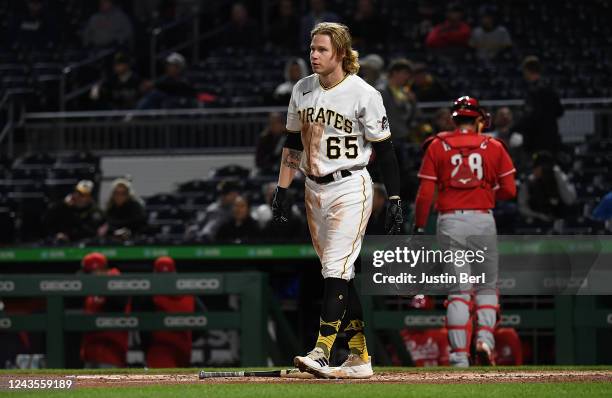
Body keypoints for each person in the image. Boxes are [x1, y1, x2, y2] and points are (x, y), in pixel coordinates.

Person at [272, 22, 403, 379]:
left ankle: (322, 350)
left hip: (350, 186)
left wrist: (393, 197)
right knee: (339, 273)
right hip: (313, 189)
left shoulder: (364, 93)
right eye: (312, 48)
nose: (313, 55)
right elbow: (293, 144)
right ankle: (359, 357)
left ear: (341, 54)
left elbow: (386, 152)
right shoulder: (302, 89)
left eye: (322, 50)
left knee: (335, 269)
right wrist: (282, 189)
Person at [413, 96, 517, 367]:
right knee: (486, 287)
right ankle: (485, 340)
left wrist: (420, 226)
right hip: (483, 219)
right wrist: (485, 189)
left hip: (451, 222)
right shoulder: (493, 146)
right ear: (478, 119)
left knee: (458, 291)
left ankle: (460, 358)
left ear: (454, 119)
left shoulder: (437, 144)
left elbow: (425, 194)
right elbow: (510, 190)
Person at [79, 252, 130, 368]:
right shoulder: (92, 289)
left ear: (97, 271)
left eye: (88, 273)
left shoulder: (115, 283)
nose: (85, 277)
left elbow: (120, 303)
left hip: (111, 352)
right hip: (91, 351)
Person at [145, 256, 195, 368]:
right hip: (183, 349)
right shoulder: (188, 292)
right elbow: (202, 323)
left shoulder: (152, 296)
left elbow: (143, 329)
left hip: (158, 351)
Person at [513, 56, 564, 153]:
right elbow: (560, 111)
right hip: (551, 135)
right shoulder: (550, 88)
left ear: (527, 71)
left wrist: (517, 128)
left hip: (537, 138)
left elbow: (531, 115)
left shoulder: (534, 91)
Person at [518, 151, 576, 222]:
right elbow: (522, 208)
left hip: (560, 220)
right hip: (537, 221)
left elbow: (569, 200)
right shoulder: (529, 182)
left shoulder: (560, 177)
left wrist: (559, 177)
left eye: (539, 167)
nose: (535, 170)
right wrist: (538, 215)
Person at [380, 59, 418, 142]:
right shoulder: (382, 90)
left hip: (401, 135)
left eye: (408, 74)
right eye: (404, 73)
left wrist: (412, 102)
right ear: (394, 72)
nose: (407, 77)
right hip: (387, 137)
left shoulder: (404, 92)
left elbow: (410, 114)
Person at [487, 107, 528, 173]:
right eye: (501, 114)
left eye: (507, 114)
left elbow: (521, 161)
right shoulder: (487, 138)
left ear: (511, 118)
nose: (505, 116)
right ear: (495, 118)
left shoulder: (518, 138)